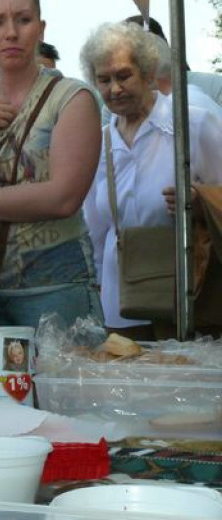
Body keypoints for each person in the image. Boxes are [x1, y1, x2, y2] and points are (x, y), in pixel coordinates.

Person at [0, 0, 104, 331]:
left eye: (23, 19)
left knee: (63, 387)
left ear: (41, 28)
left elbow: (62, 197)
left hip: (54, 287)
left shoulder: (72, 97)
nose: (11, 33)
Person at [80, 22, 222, 337]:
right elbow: (96, 232)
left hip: (190, 295)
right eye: (104, 80)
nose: (114, 89)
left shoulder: (193, 125)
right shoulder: (100, 143)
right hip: (123, 303)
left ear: (147, 73)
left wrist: (199, 203)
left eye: (123, 75)